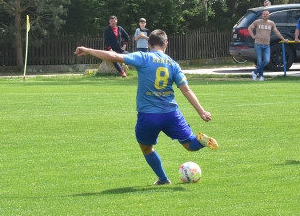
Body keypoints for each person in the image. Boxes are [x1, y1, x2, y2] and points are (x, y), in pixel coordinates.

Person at [74, 29, 218, 185]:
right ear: (166, 44)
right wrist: (201, 111)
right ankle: (201, 141)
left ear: (149, 44)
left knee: (146, 148)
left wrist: (88, 50)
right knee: (190, 145)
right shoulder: (173, 64)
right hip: (171, 113)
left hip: (149, 116)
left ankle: (163, 179)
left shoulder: (143, 57)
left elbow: (114, 56)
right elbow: (186, 90)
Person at [248, 9, 285, 81]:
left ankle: (255, 72)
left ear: (269, 15)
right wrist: (253, 36)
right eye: (264, 14)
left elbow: (277, 32)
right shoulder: (257, 22)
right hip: (258, 44)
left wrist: (283, 39)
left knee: (267, 60)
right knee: (259, 61)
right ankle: (261, 76)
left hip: (267, 45)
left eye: (267, 14)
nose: (265, 15)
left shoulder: (271, 23)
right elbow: (249, 28)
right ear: (262, 15)